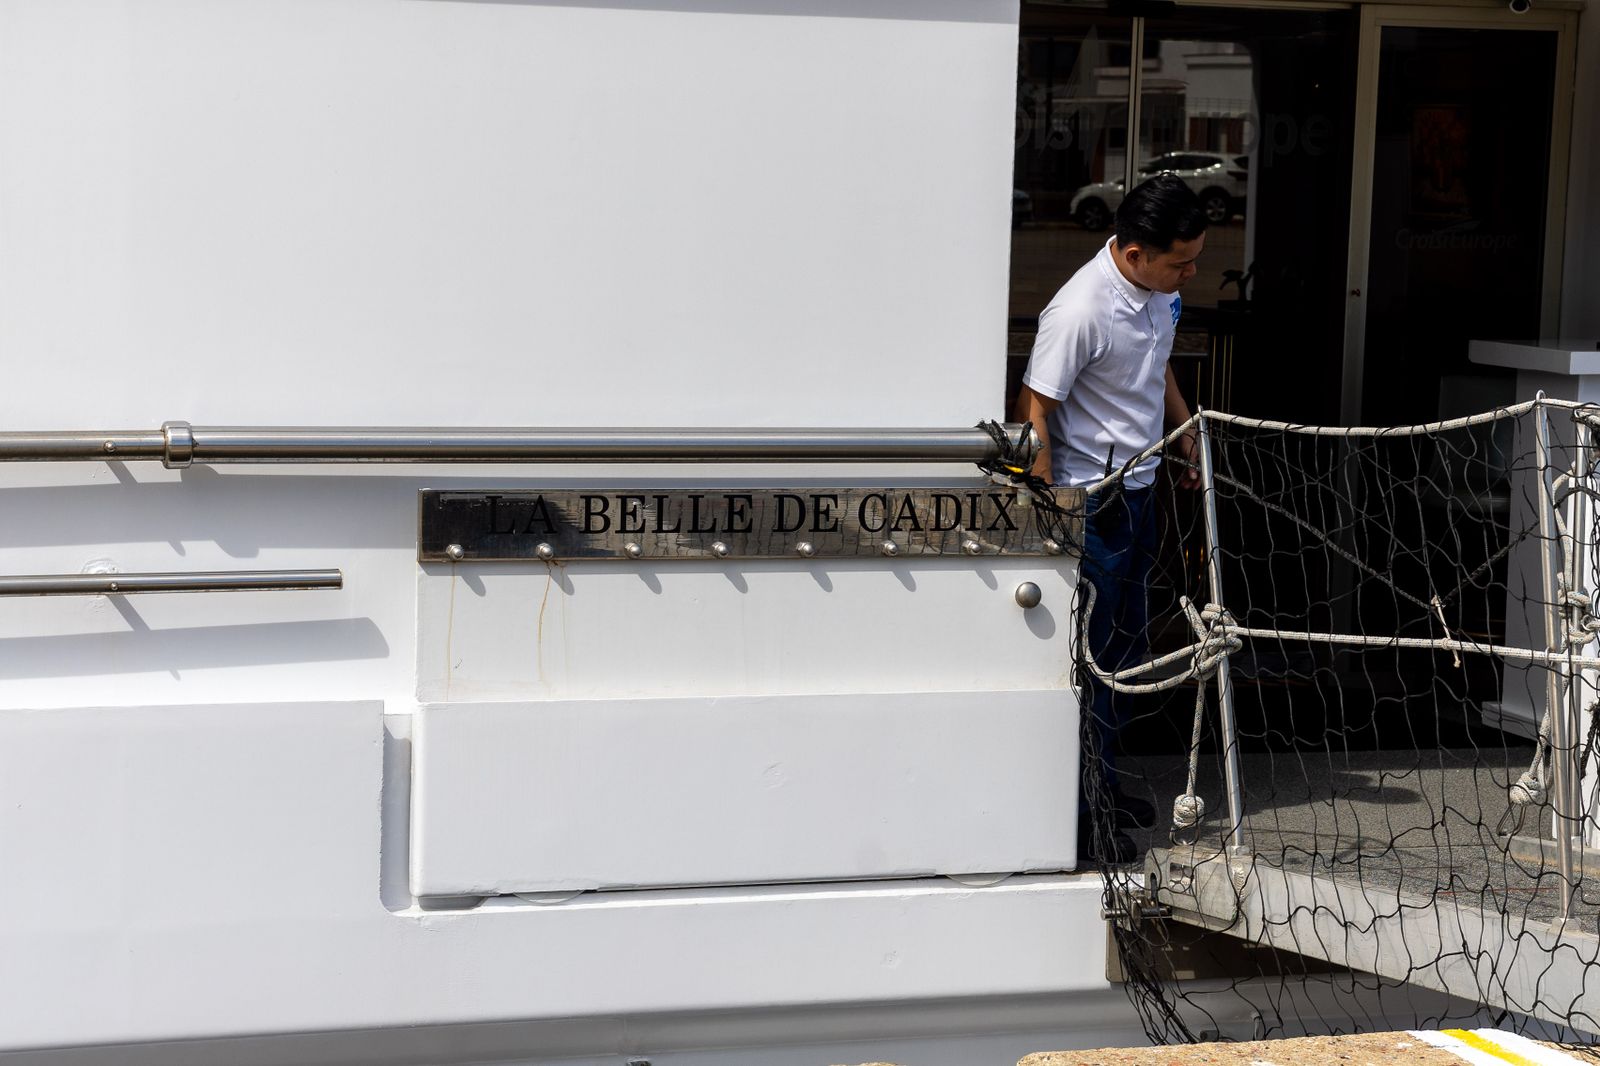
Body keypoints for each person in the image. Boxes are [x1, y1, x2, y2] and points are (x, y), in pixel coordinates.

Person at [1012, 173, 1206, 863]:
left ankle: (1104, 775)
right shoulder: (1079, 310)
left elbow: (1158, 369)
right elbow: (1036, 406)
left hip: (1142, 487)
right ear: (1132, 254)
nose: (1191, 273)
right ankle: (1076, 809)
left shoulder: (1160, 293)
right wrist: (1051, 513)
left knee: (1124, 650)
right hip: (1090, 502)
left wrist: (1185, 429)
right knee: (1088, 658)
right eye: (1180, 261)